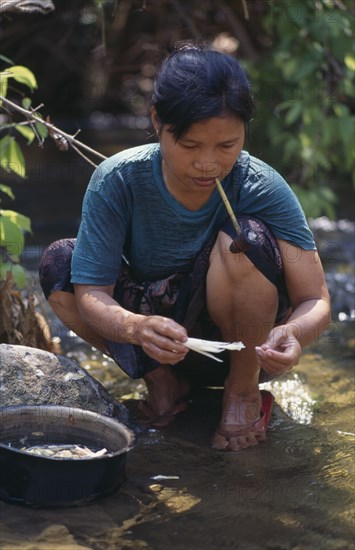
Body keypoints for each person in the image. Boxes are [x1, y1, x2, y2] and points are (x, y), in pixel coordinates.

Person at [39, 44, 331, 451]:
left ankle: (242, 392)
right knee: (60, 263)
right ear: (158, 120)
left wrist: (293, 332)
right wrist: (135, 329)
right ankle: (163, 382)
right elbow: (91, 295)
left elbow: (315, 298)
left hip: (244, 347)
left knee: (243, 240)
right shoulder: (119, 180)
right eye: (191, 146)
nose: (208, 164)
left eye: (226, 146)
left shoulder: (260, 185)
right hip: (157, 342)